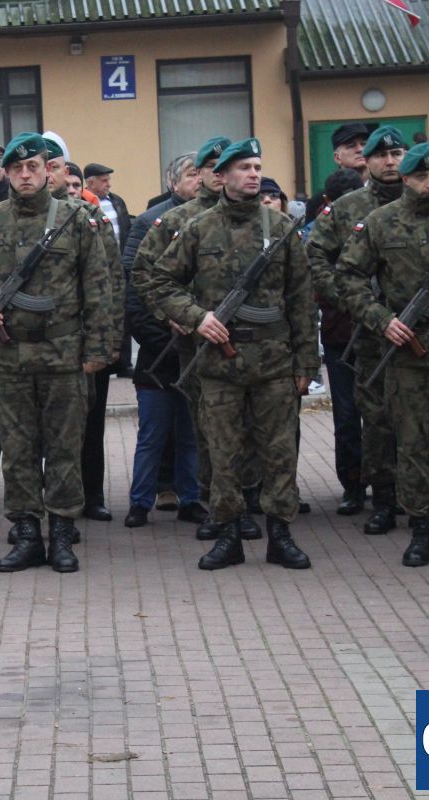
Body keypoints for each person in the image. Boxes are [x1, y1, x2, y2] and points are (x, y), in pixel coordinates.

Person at [0, 132, 115, 573]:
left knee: (64, 449)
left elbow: (99, 287)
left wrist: (98, 351)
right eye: (17, 168)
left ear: (48, 170)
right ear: (6, 173)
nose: (25, 175)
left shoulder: (76, 219)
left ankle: (62, 533)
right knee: (17, 449)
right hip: (8, 358)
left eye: (33, 167)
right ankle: (25, 534)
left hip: (63, 355)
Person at [150, 138, 319, 571]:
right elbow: (160, 282)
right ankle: (227, 535)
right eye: (244, 168)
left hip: (274, 361)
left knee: (279, 453)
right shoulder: (199, 227)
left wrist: (306, 361)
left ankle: (280, 535)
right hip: (219, 363)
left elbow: (301, 298)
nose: (253, 174)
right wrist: (196, 317)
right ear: (221, 176)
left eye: (258, 167)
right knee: (223, 454)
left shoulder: (281, 228)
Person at [336, 142, 429, 568]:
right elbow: (348, 277)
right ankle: (421, 528)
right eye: (422, 176)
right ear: (406, 178)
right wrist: (381, 319)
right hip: (408, 355)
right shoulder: (381, 222)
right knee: (411, 445)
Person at [133, 136, 264, 542]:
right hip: (199, 347)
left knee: (249, 429)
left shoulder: (259, 217)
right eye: (208, 168)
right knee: (207, 431)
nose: (217, 175)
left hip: (254, 343)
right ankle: (218, 505)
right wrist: (175, 315)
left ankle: (245, 502)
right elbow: (143, 275)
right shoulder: (178, 220)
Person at [306, 127, 407, 526]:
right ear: (368, 161)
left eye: (397, 154)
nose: (390, 162)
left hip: (422, 333)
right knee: (373, 418)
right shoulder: (347, 208)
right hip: (365, 332)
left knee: (422, 420)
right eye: (381, 155)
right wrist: (349, 298)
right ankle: (380, 497)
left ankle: (418, 497)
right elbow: (316, 255)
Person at [42, 130, 123, 523]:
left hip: (84, 341)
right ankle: (41, 504)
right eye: (41, 166)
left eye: (54, 166)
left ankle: (92, 494)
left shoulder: (90, 217)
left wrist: (110, 341)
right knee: (36, 431)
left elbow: (112, 281)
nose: (48, 174)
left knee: (89, 424)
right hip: (35, 344)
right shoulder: (8, 216)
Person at [123, 262, 203, 529]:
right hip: (155, 370)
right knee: (150, 440)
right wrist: (172, 346)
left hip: (191, 369)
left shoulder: (196, 263)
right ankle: (140, 503)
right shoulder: (148, 269)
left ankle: (190, 500)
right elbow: (138, 317)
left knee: (189, 439)